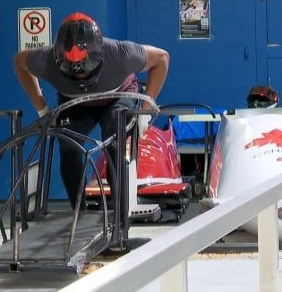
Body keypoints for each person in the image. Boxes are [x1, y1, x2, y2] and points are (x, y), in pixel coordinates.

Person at [14, 12, 169, 208]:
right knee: (68, 145)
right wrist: (42, 110)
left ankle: (121, 209)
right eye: (73, 69)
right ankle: (79, 210)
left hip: (117, 96)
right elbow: (19, 63)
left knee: (114, 138)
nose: (81, 76)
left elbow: (162, 59)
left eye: (85, 69)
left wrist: (146, 110)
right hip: (75, 102)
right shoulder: (44, 59)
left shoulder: (121, 54)